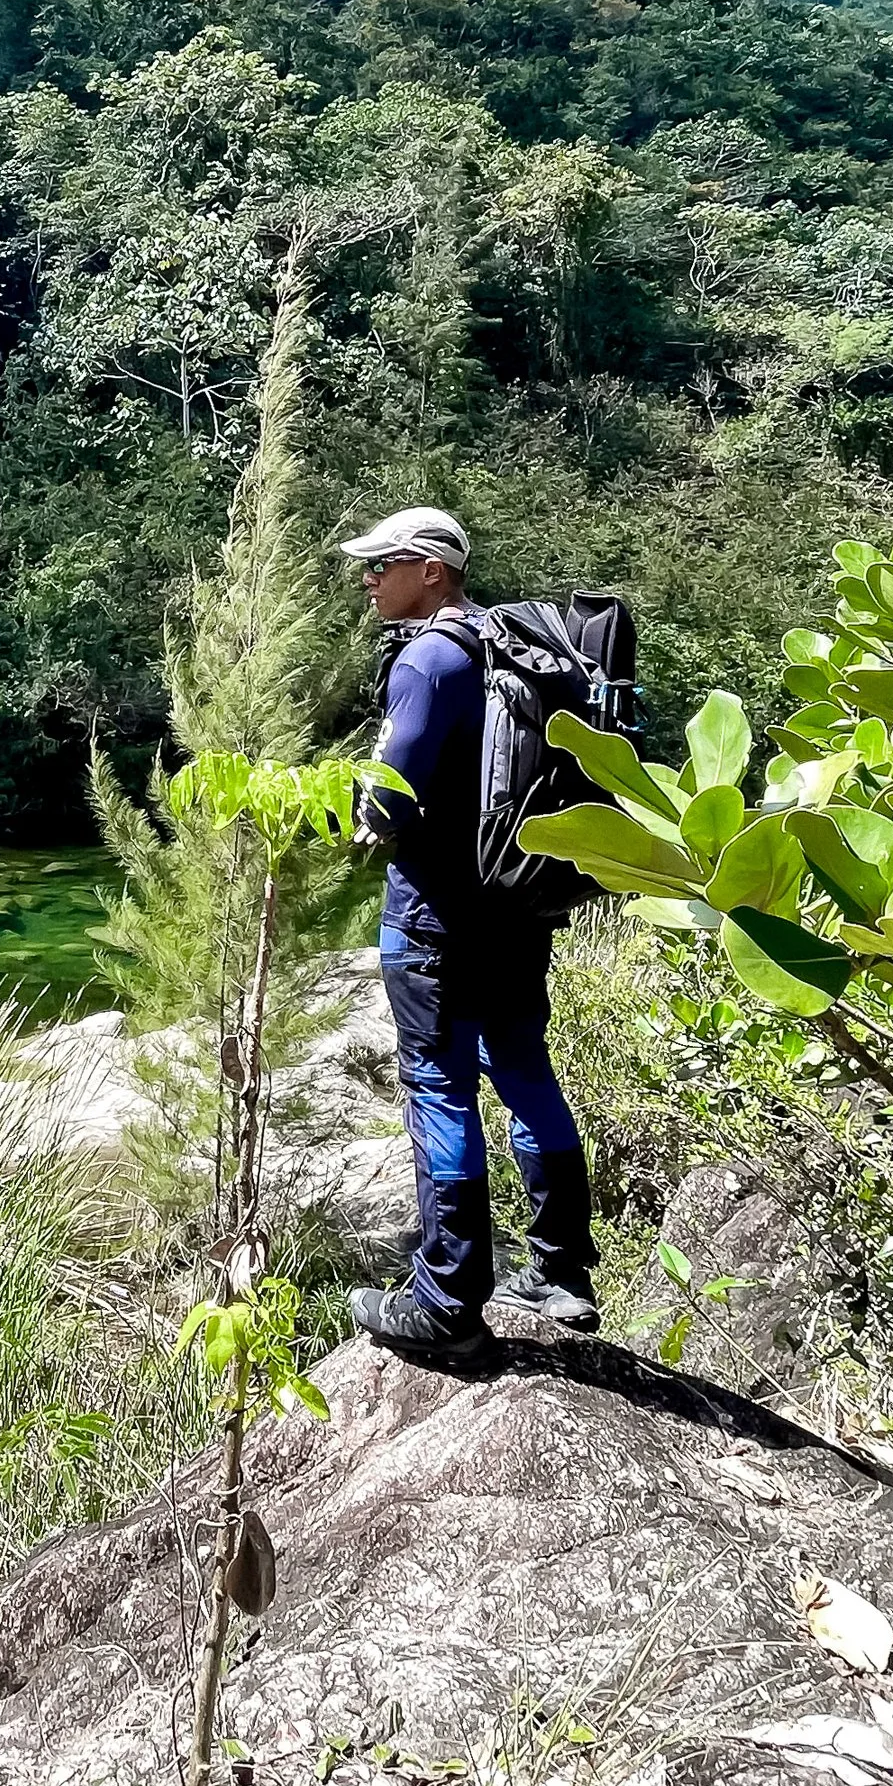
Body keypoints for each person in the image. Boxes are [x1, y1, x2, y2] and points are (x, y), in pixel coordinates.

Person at [336, 504, 599, 1355]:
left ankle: (448, 1303)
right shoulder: (518, 651)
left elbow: (387, 798)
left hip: (435, 917)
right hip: (520, 911)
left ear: (433, 569)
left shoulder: (428, 660)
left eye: (384, 565)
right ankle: (560, 1273)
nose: (371, 580)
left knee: (440, 1089)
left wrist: (351, 808)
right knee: (524, 1071)